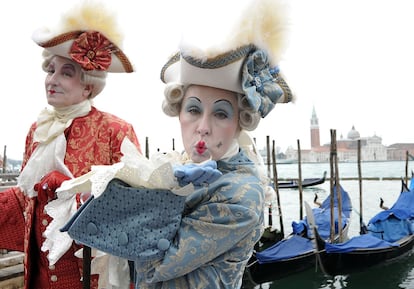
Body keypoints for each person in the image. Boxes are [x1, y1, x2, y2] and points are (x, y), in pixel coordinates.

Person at [60, 0, 293, 288]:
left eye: (221, 113)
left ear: (240, 122)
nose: (203, 127)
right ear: (179, 112)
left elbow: (154, 264)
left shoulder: (240, 195)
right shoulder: (180, 163)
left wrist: (157, 187)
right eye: (194, 110)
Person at [0, 2, 141, 289]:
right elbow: (25, 199)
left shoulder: (117, 130)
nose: (51, 80)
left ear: (88, 85)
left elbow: (134, 208)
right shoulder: (37, 131)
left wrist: (73, 188)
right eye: (50, 70)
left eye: (65, 72)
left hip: (90, 278)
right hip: (38, 277)